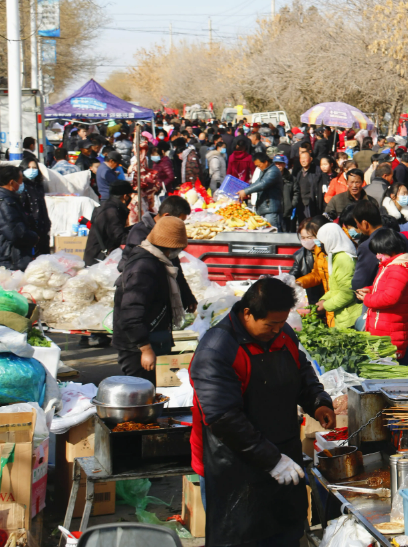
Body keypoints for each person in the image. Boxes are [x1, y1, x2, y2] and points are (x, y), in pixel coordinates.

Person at [189, 278, 335, 547]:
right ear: (247, 313)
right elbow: (223, 418)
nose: (277, 331)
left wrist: (318, 401)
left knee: (284, 533)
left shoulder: (282, 334)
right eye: (270, 325)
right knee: (242, 538)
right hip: (231, 463)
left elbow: (302, 372)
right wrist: (271, 460)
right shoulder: (218, 349)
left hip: (281, 452)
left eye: (281, 324)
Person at [113, 217, 191, 384]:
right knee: (140, 392)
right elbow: (131, 314)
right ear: (171, 248)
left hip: (152, 337)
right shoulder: (144, 268)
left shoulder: (157, 261)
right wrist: (145, 349)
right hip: (136, 346)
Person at [356, 229, 408, 361]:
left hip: (389, 329)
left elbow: (390, 298)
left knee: (391, 370)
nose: (377, 256)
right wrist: (371, 290)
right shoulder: (390, 266)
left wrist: (367, 299)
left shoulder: (397, 269)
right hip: (386, 326)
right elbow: (387, 288)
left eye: (380, 252)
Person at [312, 223, 361, 329]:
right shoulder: (335, 257)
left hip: (350, 317)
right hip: (344, 315)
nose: (320, 247)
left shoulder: (342, 259)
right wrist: (323, 300)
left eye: (321, 243)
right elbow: (336, 289)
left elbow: (347, 293)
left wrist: (325, 305)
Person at [83, 181, 134, 265]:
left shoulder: (105, 206)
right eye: (130, 196)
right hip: (98, 261)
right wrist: (137, 234)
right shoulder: (112, 212)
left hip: (94, 256)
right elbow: (119, 237)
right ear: (125, 196)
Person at [295, 217, 333, 324]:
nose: (306, 241)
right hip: (325, 300)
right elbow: (317, 274)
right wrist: (298, 283)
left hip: (333, 300)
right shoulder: (319, 249)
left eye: (310, 237)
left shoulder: (338, 252)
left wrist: (326, 303)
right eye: (303, 238)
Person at [0, 167, 38, 271]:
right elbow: (15, 232)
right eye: (20, 181)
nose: (22, 184)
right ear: (12, 182)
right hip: (10, 258)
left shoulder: (10, 199)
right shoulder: (5, 202)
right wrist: (34, 237)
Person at [239, 152, 284, 232]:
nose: (258, 168)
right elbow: (257, 183)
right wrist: (247, 190)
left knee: (273, 234)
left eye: (259, 165)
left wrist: (246, 191)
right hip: (265, 208)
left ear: (266, 162)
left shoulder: (273, 171)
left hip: (271, 209)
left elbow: (263, 184)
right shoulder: (265, 171)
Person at [18, 155, 51, 255]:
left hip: (42, 227)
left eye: (34, 168)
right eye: (28, 168)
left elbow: (42, 206)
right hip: (30, 228)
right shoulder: (21, 186)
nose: (32, 170)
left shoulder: (38, 186)